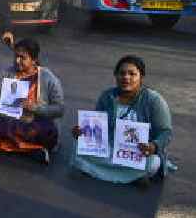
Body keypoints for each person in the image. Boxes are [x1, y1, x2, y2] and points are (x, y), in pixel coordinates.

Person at [71, 55, 173, 184]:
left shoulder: (154, 100)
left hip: (137, 153)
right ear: (116, 76)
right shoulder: (107, 96)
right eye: (122, 73)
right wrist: (83, 132)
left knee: (153, 163)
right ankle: (132, 176)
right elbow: (97, 126)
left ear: (141, 77)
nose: (126, 77)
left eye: (132, 74)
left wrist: (153, 146)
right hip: (110, 148)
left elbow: (166, 132)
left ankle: (107, 172)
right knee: (76, 147)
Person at [0, 38, 64, 164]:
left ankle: (5, 144)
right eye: (16, 56)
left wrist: (35, 108)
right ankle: (31, 149)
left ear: (34, 60)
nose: (17, 61)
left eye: (22, 58)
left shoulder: (48, 78)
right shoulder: (4, 73)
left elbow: (60, 109)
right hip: (6, 120)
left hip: (32, 122)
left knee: (48, 132)